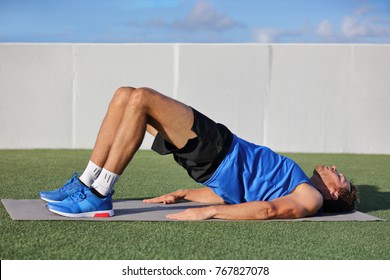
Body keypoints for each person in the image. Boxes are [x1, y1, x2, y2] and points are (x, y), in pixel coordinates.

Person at [40, 87, 358, 220]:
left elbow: (267, 211)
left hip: (219, 150)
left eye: (339, 176)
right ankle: (87, 182)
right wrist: (184, 193)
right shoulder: (297, 181)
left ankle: (99, 193)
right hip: (213, 160)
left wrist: (209, 213)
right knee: (126, 96)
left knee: (142, 99)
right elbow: (237, 194)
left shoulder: (311, 199)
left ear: (334, 192)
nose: (333, 168)